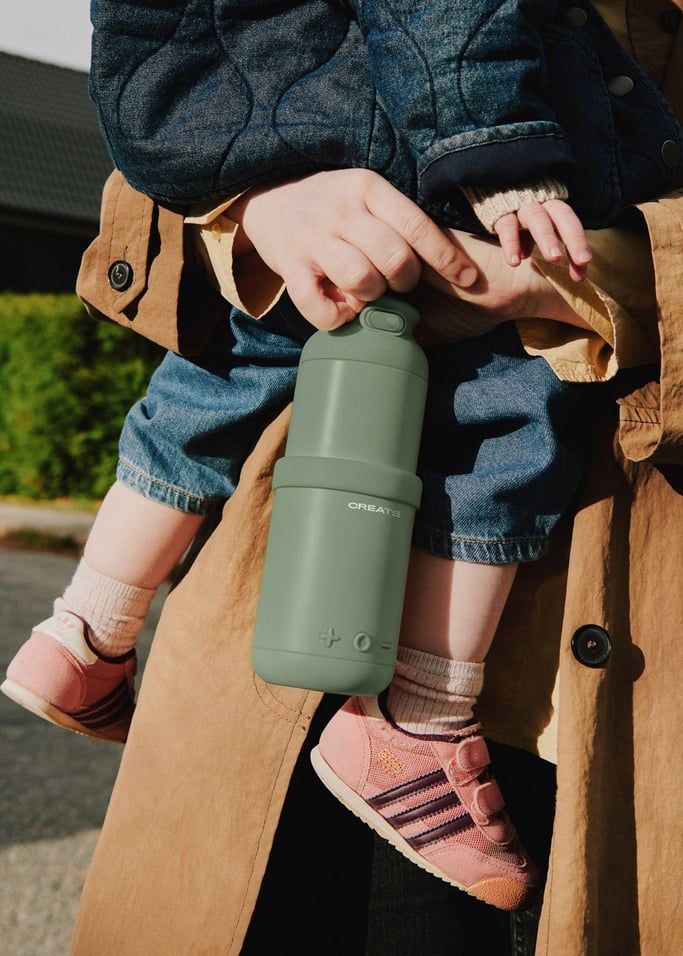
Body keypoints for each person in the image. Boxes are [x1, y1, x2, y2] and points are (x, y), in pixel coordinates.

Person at [6, 0, 683, 944]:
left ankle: (85, 628)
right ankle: (419, 728)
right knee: (509, 408)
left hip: (578, 607)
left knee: (211, 387)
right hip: (313, 538)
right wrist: (257, 205)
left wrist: (623, 276)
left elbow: (152, 76)